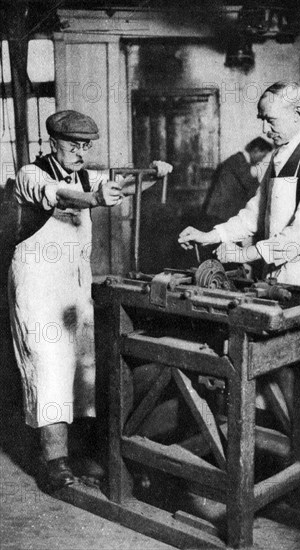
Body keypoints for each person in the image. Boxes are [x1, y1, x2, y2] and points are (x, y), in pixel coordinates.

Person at [8, 110, 172, 490]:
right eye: (73, 145)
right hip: (37, 290)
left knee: (80, 371)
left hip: (74, 289)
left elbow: (122, 187)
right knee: (48, 370)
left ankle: (75, 450)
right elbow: (61, 196)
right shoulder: (31, 175)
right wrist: (94, 197)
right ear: (53, 143)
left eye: (85, 146)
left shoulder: (87, 175)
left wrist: (153, 175)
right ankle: (54, 464)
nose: (80, 152)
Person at [179, 81, 300, 432]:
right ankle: (269, 463)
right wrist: (211, 235)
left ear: (298, 113)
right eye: (261, 119)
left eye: (270, 120)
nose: (263, 129)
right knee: (271, 389)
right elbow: (253, 214)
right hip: (275, 281)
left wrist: (247, 252)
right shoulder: (275, 158)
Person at [203, 137, 272, 223]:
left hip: (222, 212)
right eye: (263, 155)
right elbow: (250, 185)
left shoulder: (241, 161)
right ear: (256, 150)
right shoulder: (238, 160)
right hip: (220, 213)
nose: (261, 160)